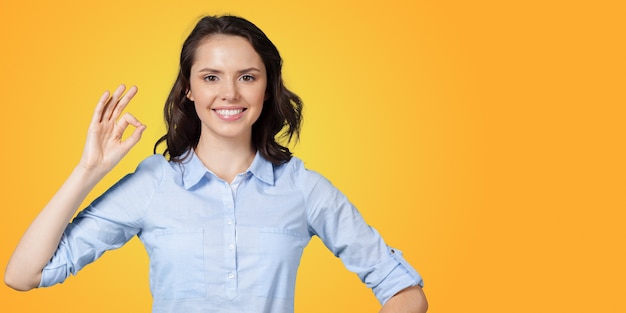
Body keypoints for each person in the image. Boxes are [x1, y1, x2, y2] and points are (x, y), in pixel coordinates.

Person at [4, 15, 427, 313]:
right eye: (210, 77)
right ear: (188, 89)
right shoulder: (153, 184)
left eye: (247, 76)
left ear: (267, 87)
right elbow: (23, 275)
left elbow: (405, 292)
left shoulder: (302, 187)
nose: (230, 93)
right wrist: (88, 171)